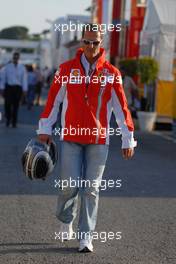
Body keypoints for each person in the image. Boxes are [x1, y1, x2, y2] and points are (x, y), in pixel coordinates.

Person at [37, 24, 137, 253]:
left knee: (91, 189)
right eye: (87, 42)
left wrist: (127, 138)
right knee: (69, 186)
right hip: (71, 136)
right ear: (81, 42)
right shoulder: (65, 69)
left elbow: (121, 108)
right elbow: (53, 100)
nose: (91, 47)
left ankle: (86, 237)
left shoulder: (112, 73)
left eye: (96, 43)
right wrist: (45, 127)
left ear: (103, 44)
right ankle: (65, 219)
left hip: (98, 139)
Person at [0, 52, 27, 127]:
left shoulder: (22, 67)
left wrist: (25, 90)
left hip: (18, 88)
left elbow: (24, 79)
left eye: (17, 57)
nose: (15, 59)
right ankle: (8, 119)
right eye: (14, 57)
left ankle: (14, 122)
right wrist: (1, 88)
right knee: (7, 105)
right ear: (13, 58)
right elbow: (3, 78)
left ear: (18, 58)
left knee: (16, 106)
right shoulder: (7, 67)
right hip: (9, 88)